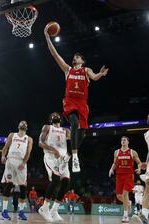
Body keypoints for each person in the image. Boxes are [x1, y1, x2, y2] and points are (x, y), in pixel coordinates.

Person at [44, 25, 109, 172]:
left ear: (82, 61)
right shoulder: (68, 70)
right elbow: (55, 55)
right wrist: (47, 37)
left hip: (82, 103)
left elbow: (95, 77)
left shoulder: (86, 70)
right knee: (74, 123)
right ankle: (75, 157)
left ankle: (68, 155)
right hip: (70, 102)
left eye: (77, 57)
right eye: (74, 56)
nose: (75, 58)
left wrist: (100, 74)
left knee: (83, 133)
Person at [38, 112, 71, 222]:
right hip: (50, 157)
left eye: (57, 115)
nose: (55, 115)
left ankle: (54, 210)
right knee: (56, 179)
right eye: (53, 115)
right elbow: (40, 143)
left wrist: (69, 156)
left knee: (66, 182)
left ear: (61, 119)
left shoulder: (66, 130)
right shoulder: (47, 127)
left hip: (62, 159)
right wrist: (53, 150)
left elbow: (70, 145)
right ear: (50, 119)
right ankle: (44, 208)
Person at [0, 120, 33, 221]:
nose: (23, 124)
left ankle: (21, 212)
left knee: (23, 187)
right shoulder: (12, 135)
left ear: (26, 127)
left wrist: (24, 162)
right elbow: (5, 147)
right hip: (10, 161)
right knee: (9, 184)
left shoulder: (29, 139)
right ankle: (4, 211)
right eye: (21, 123)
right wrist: (2, 156)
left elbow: (28, 152)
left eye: (25, 123)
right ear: (18, 126)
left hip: (21, 163)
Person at [108, 136, 142, 223]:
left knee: (125, 193)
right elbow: (115, 163)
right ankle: (128, 203)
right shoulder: (116, 152)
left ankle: (125, 215)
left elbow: (139, 162)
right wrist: (111, 169)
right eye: (122, 140)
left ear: (128, 142)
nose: (123, 141)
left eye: (124, 140)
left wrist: (139, 169)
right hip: (119, 175)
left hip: (129, 175)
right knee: (119, 196)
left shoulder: (132, 152)